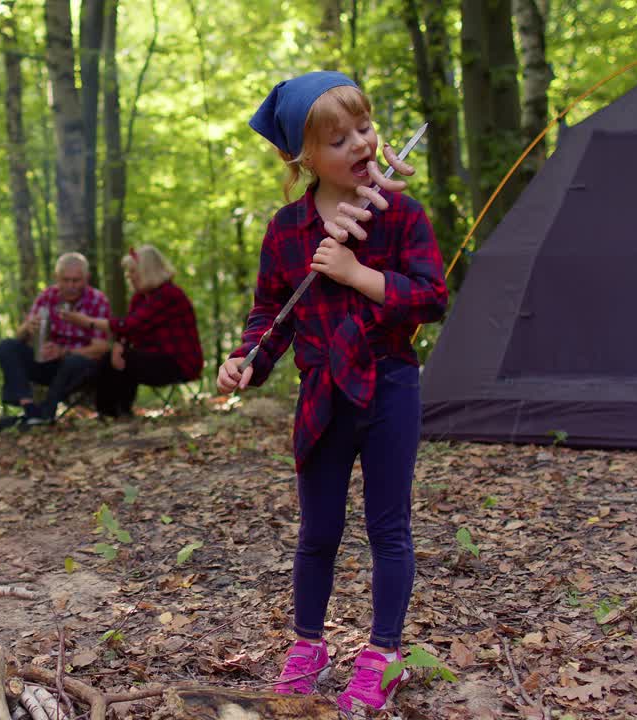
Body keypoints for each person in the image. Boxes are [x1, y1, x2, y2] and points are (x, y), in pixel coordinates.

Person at [216, 71, 447, 713]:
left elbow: (432, 296)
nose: (361, 144)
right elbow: (272, 315)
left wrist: (357, 272)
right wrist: (245, 360)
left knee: (388, 527)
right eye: (338, 137)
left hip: (389, 384)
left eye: (365, 128)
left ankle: (383, 655)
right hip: (322, 393)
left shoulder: (398, 213)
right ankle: (308, 646)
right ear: (305, 158)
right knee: (317, 531)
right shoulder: (287, 230)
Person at [60, 245, 202, 417]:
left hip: (178, 362)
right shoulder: (140, 297)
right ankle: (111, 412)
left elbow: (132, 324)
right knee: (112, 358)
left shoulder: (169, 295)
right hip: (152, 357)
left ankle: (116, 412)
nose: (129, 276)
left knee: (126, 359)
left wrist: (88, 322)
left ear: (147, 271)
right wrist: (120, 345)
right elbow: (128, 331)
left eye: (133, 271)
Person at [0, 252, 110, 430]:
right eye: (66, 280)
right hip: (47, 364)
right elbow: (20, 337)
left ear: (87, 278)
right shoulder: (47, 297)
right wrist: (27, 328)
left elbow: (101, 348)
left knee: (74, 362)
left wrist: (64, 352)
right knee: (7, 346)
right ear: (57, 278)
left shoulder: (98, 300)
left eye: (76, 280)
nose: (71, 286)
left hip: (79, 370)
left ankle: (47, 413)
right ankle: (29, 409)